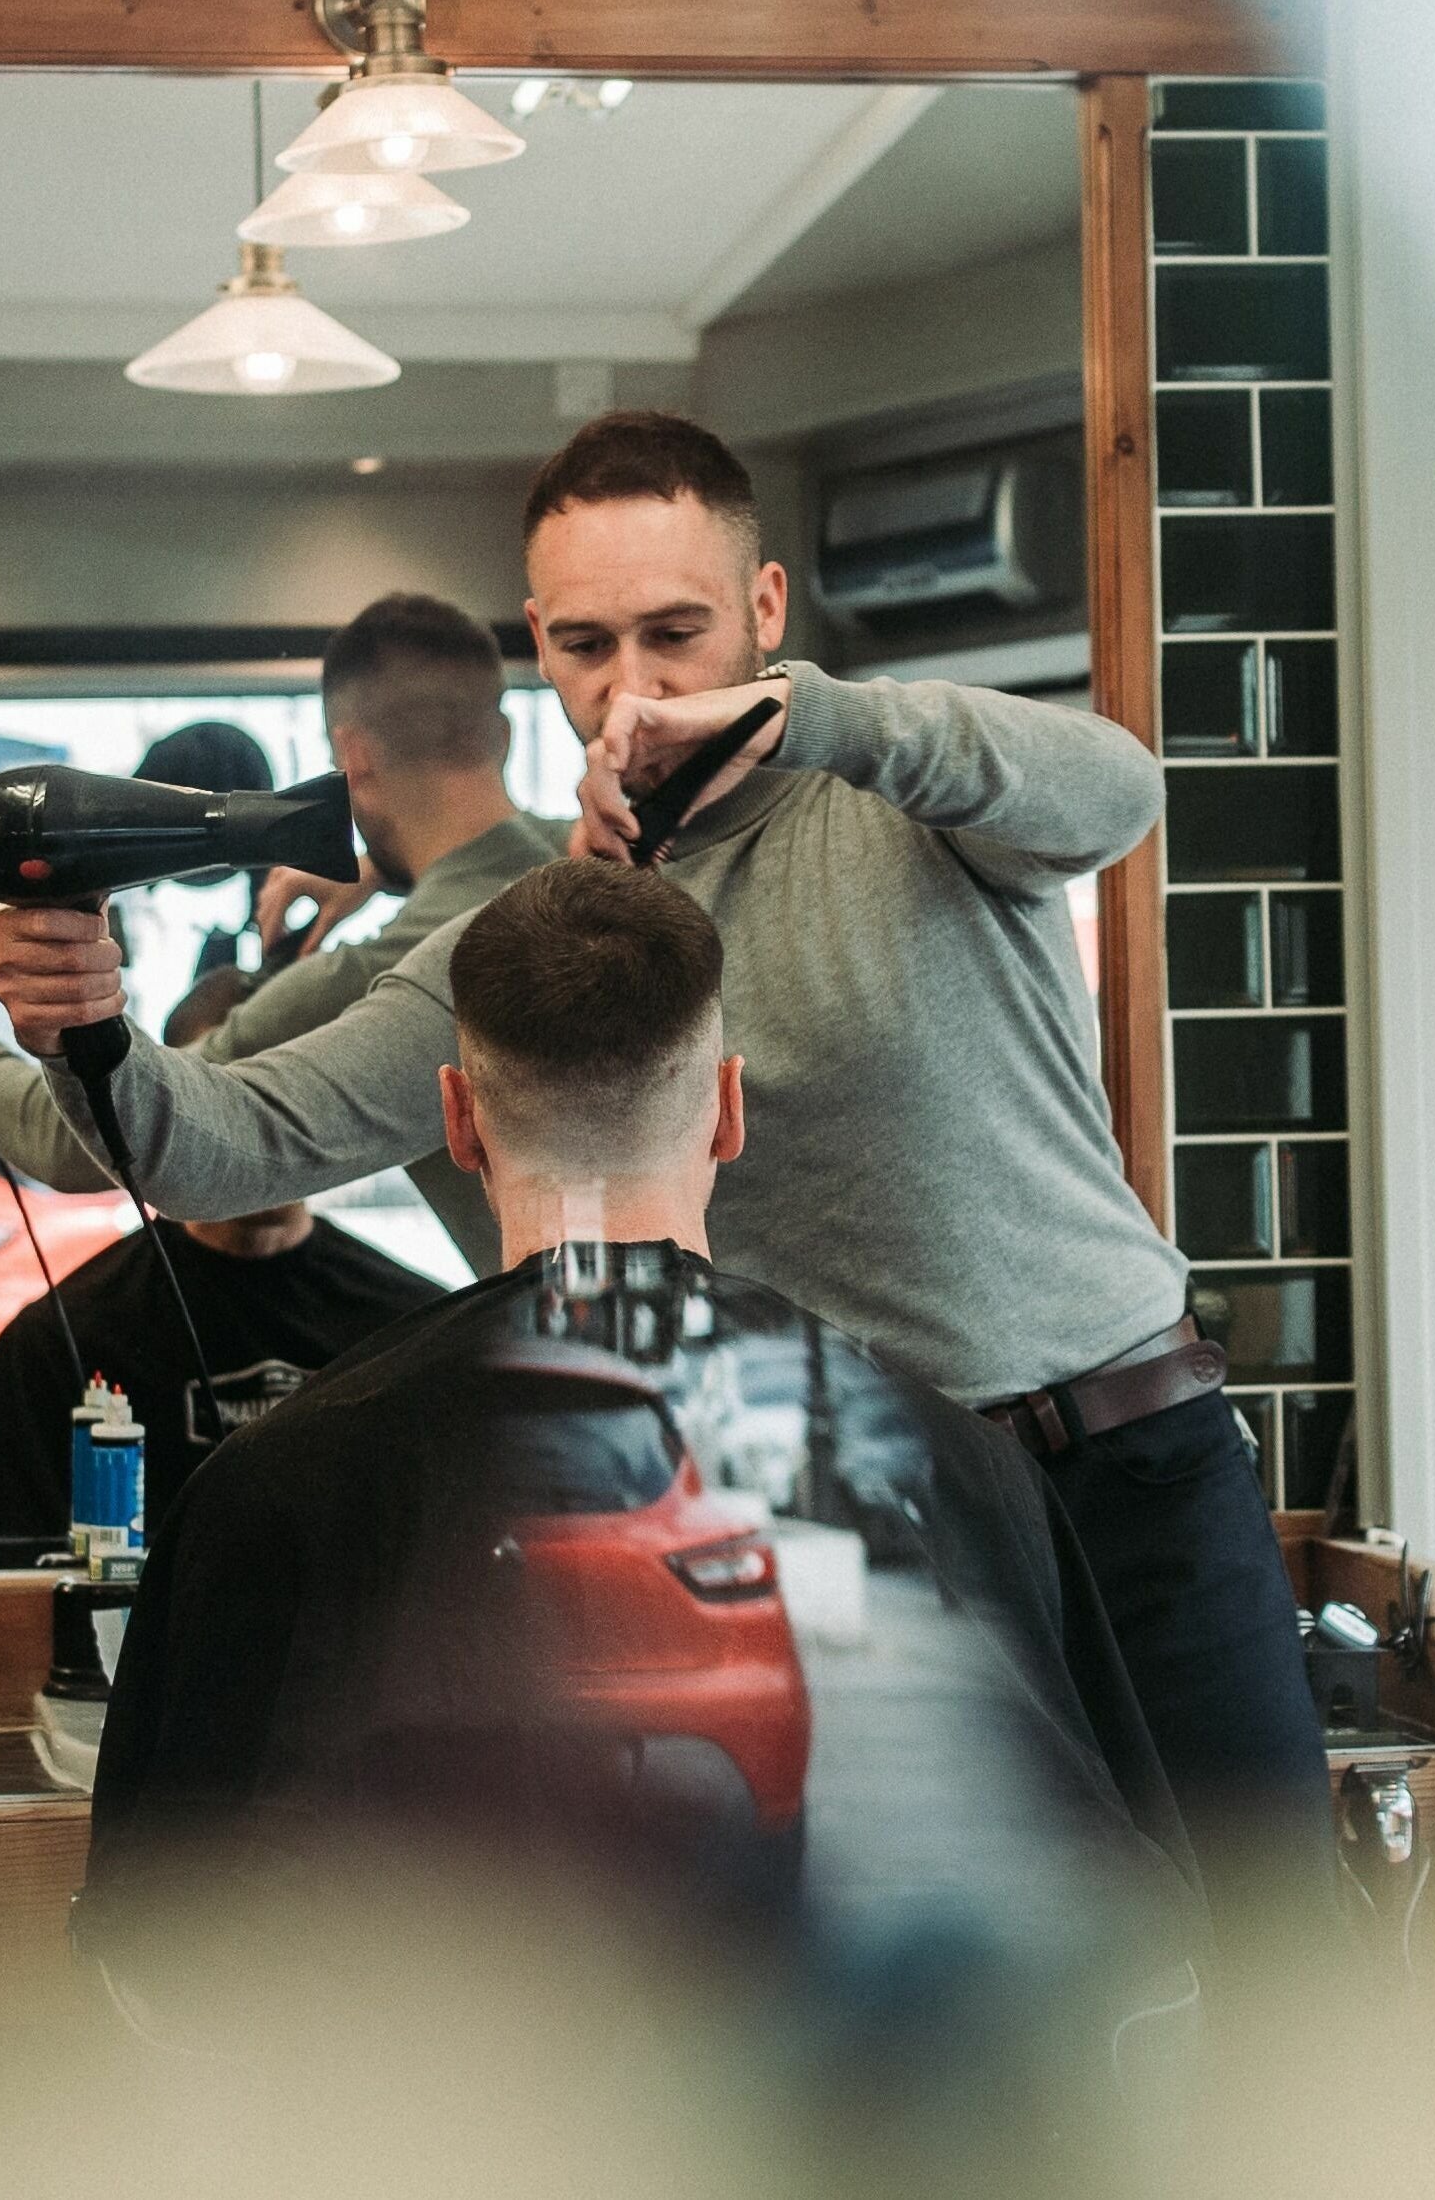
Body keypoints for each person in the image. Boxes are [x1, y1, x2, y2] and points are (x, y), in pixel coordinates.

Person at [0, 414, 1332, 1910]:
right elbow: (227, 1142)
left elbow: (1119, 793)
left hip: (1126, 1476)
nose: (630, 688)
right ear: (536, 652)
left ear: (764, 611)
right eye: (582, 645)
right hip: (858, 1536)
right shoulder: (547, 950)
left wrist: (813, 719)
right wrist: (89, 1023)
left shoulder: (913, 806)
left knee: (1271, 1981)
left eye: (677, 631)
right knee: (928, 2038)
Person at [81, 864, 1206, 2085]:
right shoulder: (958, 1463)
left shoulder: (272, 1483)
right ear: (729, 1110)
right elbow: (1121, 1954)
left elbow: (160, 1973)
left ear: (458, 1122)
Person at [0, 595, 563, 1266]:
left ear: (352, 754)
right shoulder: (602, 867)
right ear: (503, 735)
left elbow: (79, 1142)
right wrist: (388, 869)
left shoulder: (377, 976)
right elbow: (508, 858)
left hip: (559, 1341)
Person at [0, 978, 442, 1539]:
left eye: (284, 1103)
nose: (260, 1136)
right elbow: (24, 1584)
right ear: (169, 1116)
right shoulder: (58, 1343)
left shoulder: (413, 1330)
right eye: (231, 1106)